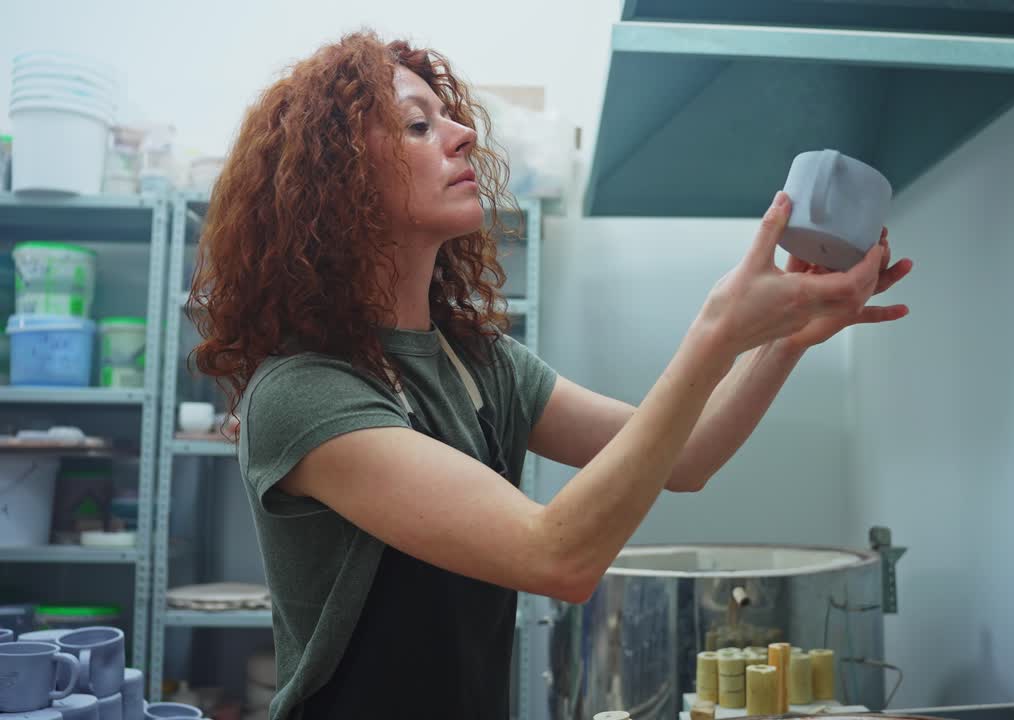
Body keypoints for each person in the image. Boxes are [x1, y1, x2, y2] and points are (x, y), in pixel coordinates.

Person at [190, 30, 911, 720]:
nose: (463, 134)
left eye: (449, 118)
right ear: (335, 180)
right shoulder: (305, 393)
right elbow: (556, 555)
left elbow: (685, 457)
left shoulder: (478, 363)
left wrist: (783, 340)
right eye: (416, 126)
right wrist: (716, 330)